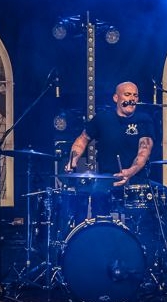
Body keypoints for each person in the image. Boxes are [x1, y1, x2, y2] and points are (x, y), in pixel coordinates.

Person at [64, 81, 155, 220]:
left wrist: (130, 171)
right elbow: (83, 139)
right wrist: (73, 159)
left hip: (136, 178)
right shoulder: (102, 118)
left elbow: (144, 150)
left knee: (162, 199)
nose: (132, 99)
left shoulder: (143, 119)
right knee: (97, 196)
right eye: (127, 94)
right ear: (116, 98)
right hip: (107, 178)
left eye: (135, 95)